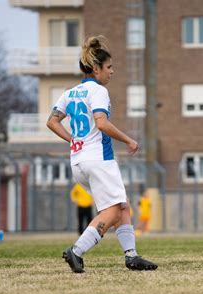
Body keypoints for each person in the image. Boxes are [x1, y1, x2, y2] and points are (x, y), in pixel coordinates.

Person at [47, 35, 157, 273]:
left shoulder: (69, 93)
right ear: (96, 68)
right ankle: (76, 250)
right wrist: (129, 139)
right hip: (99, 158)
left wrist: (73, 140)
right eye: (109, 67)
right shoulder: (98, 91)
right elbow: (101, 123)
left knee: (123, 204)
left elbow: (52, 121)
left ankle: (132, 256)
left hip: (78, 161)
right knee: (114, 209)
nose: (112, 71)